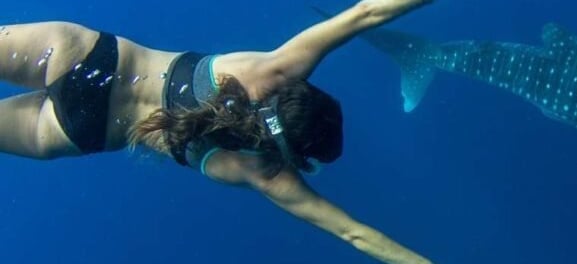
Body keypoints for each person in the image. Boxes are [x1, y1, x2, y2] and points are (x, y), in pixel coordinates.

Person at [0, 0, 433, 263]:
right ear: (297, 155)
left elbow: (366, 12)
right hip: (76, 130)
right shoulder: (266, 173)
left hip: (80, 56)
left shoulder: (271, 72)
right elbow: (353, 233)